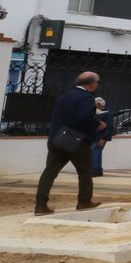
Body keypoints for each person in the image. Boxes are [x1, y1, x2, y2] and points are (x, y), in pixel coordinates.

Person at [33, 71, 103, 215]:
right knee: (85, 171)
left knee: (50, 171)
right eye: (98, 82)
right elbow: (83, 118)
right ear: (91, 83)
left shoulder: (65, 96)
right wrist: (97, 124)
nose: (98, 85)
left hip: (57, 139)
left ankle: (40, 205)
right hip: (76, 140)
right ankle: (84, 201)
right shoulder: (86, 98)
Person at [90, 96, 114, 176]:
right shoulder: (95, 113)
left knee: (94, 152)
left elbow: (109, 127)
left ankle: (95, 170)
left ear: (98, 104)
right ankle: (98, 170)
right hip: (94, 137)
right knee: (97, 153)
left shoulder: (107, 114)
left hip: (100, 137)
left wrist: (103, 138)